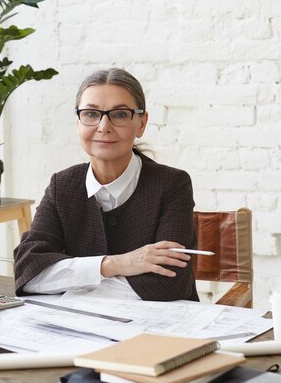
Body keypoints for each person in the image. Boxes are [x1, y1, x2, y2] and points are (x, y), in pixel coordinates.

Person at [14, 68, 199, 302]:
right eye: (91, 114)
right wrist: (116, 264)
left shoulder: (172, 185)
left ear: (141, 123)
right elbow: (28, 272)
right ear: (78, 122)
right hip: (78, 331)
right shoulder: (62, 186)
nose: (103, 126)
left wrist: (71, 279)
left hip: (156, 331)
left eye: (120, 114)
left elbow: (169, 283)